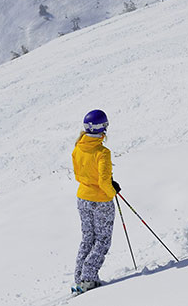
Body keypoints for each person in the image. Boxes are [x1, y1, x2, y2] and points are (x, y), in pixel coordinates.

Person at [71, 109, 120, 294]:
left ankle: (80, 277)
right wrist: (112, 192)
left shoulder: (78, 147)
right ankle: (89, 277)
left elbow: (80, 174)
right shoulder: (102, 152)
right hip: (101, 201)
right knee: (102, 240)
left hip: (82, 197)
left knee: (87, 238)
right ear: (102, 128)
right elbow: (104, 182)